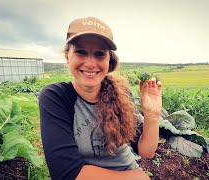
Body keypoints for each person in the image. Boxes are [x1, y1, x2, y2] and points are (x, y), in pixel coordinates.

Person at [39, 16, 162, 180]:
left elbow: (146, 152)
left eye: (99, 54)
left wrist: (152, 117)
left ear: (109, 61)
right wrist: (136, 178)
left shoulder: (121, 93)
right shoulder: (56, 96)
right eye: (81, 52)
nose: (90, 63)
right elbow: (65, 174)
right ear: (67, 56)